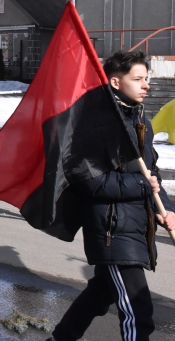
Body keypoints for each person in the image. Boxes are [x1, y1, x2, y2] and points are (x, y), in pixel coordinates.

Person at [50, 51, 175, 341]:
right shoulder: (94, 122)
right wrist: (144, 186)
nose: (146, 85)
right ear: (116, 82)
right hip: (111, 228)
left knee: (99, 293)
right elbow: (89, 180)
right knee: (137, 309)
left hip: (136, 224)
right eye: (138, 79)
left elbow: (151, 172)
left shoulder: (138, 118)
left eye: (147, 79)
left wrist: (166, 209)